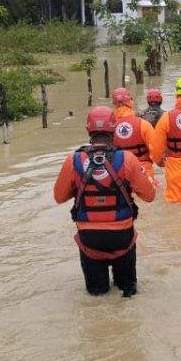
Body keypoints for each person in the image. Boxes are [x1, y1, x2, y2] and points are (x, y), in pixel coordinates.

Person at [53, 107, 156, 297]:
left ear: (88, 131)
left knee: (96, 296)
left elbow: (59, 197)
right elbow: (150, 196)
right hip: (122, 236)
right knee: (128, 295)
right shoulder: (128, 159)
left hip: (89, 238)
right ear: (114, 129)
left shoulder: (72, 160)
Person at [110, 87, 156, 178]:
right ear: (130, 101)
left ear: (114, 104)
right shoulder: (143, 124)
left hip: (119, 171)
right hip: (143, 169)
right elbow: (155, 149)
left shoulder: (110, 126)